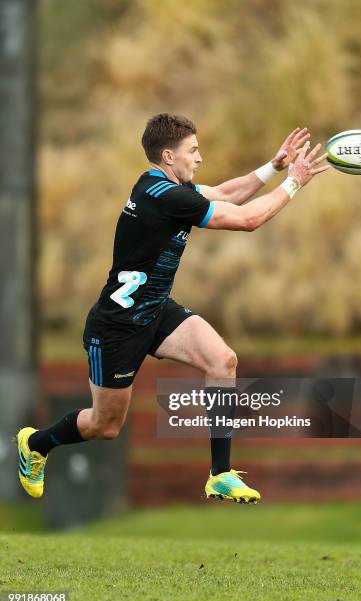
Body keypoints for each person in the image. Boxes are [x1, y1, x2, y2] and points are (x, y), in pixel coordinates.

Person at [16, 114, 329, 503]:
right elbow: (247, 220)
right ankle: (37, 444)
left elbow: (225, 194)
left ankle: (220, 474)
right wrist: (295, 181)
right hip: (118, 325)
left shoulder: (160, 185)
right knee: (105, 425)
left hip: (157, 309)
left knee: (223, 361)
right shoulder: (166, 197)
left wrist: (273, 166)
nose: (199, 158)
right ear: (168, 155)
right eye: (192, 151)